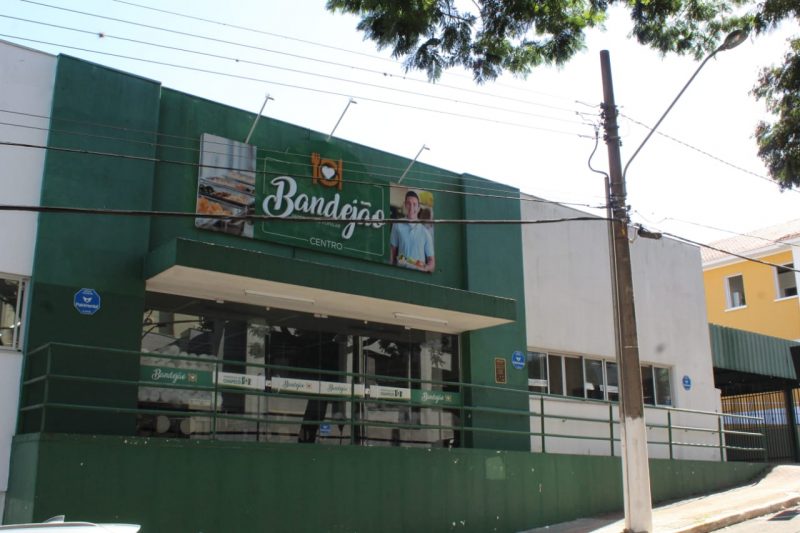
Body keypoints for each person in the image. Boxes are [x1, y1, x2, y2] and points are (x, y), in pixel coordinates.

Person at [390, 190, 435, 272]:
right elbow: (392, 251)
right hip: (400, 272)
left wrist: (425, 268)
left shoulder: (425, 232)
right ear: (404, 205)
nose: (411, 207)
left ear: (418, 208)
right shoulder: (397, 224)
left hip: (418, 275)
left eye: (414, 204)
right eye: (408, 203)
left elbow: (432, 262)